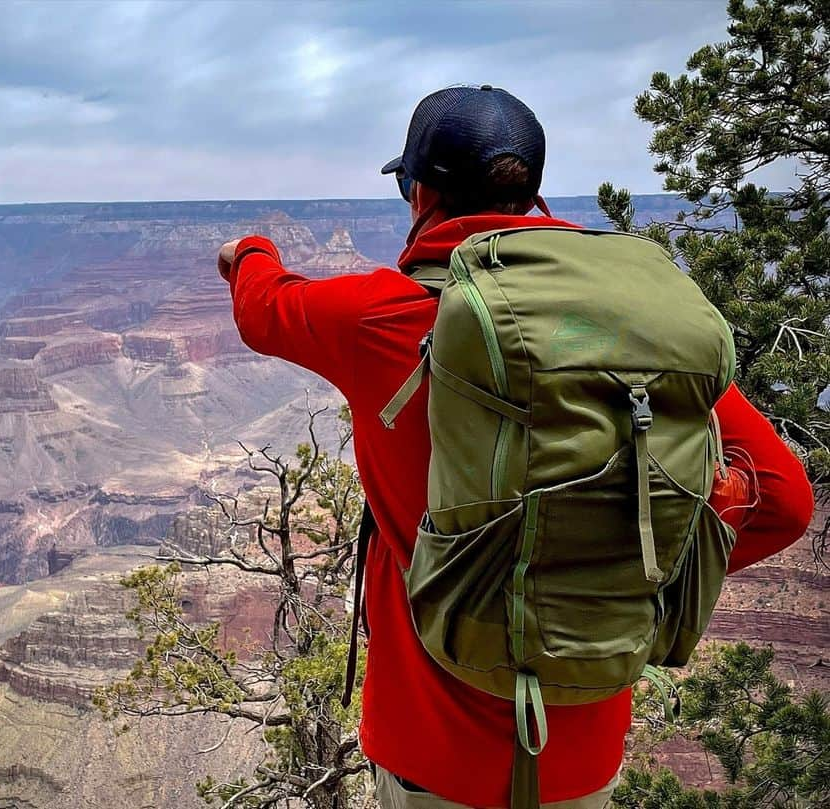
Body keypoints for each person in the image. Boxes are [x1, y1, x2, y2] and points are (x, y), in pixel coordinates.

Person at [215, 85, 815, 809]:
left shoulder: (382, 319)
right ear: (530, 195)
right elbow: (784, 499)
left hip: (431, 763)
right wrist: (632, 560)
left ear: (419, 194)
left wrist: (249, 249)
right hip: (582, 765)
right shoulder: (633, 337)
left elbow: (262, 305)